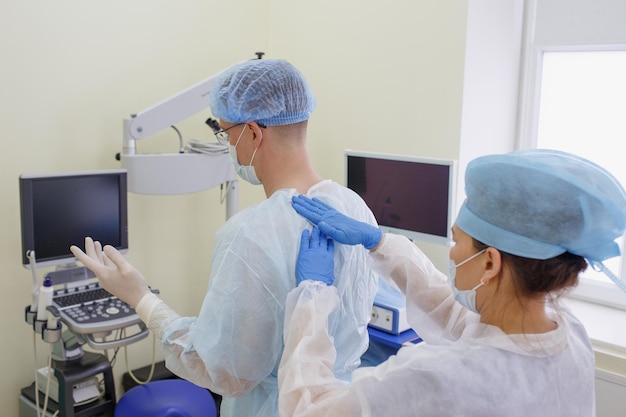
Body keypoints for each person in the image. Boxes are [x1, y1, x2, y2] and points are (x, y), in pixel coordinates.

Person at [70, 59, 379, 417]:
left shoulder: (251, 235)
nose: (227, 145)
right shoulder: (355, 210)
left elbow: (221, 370)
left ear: (252, 133)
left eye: (225, 133)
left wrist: (139, 297)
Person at [278, 149, 626, 417]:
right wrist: (380, 244)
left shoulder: (442, 378)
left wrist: (312, 298)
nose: (453, 252)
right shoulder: (570, 336)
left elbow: (310, 410)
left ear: (490, 262)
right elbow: (461, 320)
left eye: (456, 240)